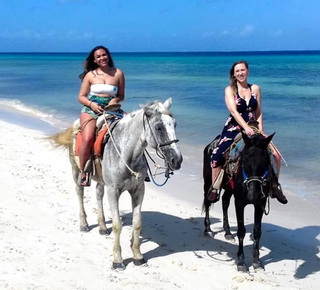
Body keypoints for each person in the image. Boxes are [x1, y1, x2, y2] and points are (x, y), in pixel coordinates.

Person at [208, 60, 287, 204]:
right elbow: (233, 111)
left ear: (248, 71)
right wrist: (246, 128)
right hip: (234, 127)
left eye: (242, 70)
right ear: (233, 74)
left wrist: (261, 130)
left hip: (254, 127)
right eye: (237, 71)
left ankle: (274, 187)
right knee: (216, 155)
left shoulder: (255, 89)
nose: (240, 73)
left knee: (276, 155)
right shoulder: (230, 90)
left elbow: (259, 111)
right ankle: (215, 188)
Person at [77, 45, 125, 186]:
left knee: (136, 126)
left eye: (104, 55)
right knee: (88, 137)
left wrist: (114, 100)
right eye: (98, 56)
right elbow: (81, 97)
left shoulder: (118, 73)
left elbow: (121, 95)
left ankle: (142, 168)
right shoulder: (90, 75)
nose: (102, 58)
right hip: (91, 109)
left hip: (111, 108)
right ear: (94, 60)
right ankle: (83, 171)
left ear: (108, 55)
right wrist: (92, 105)